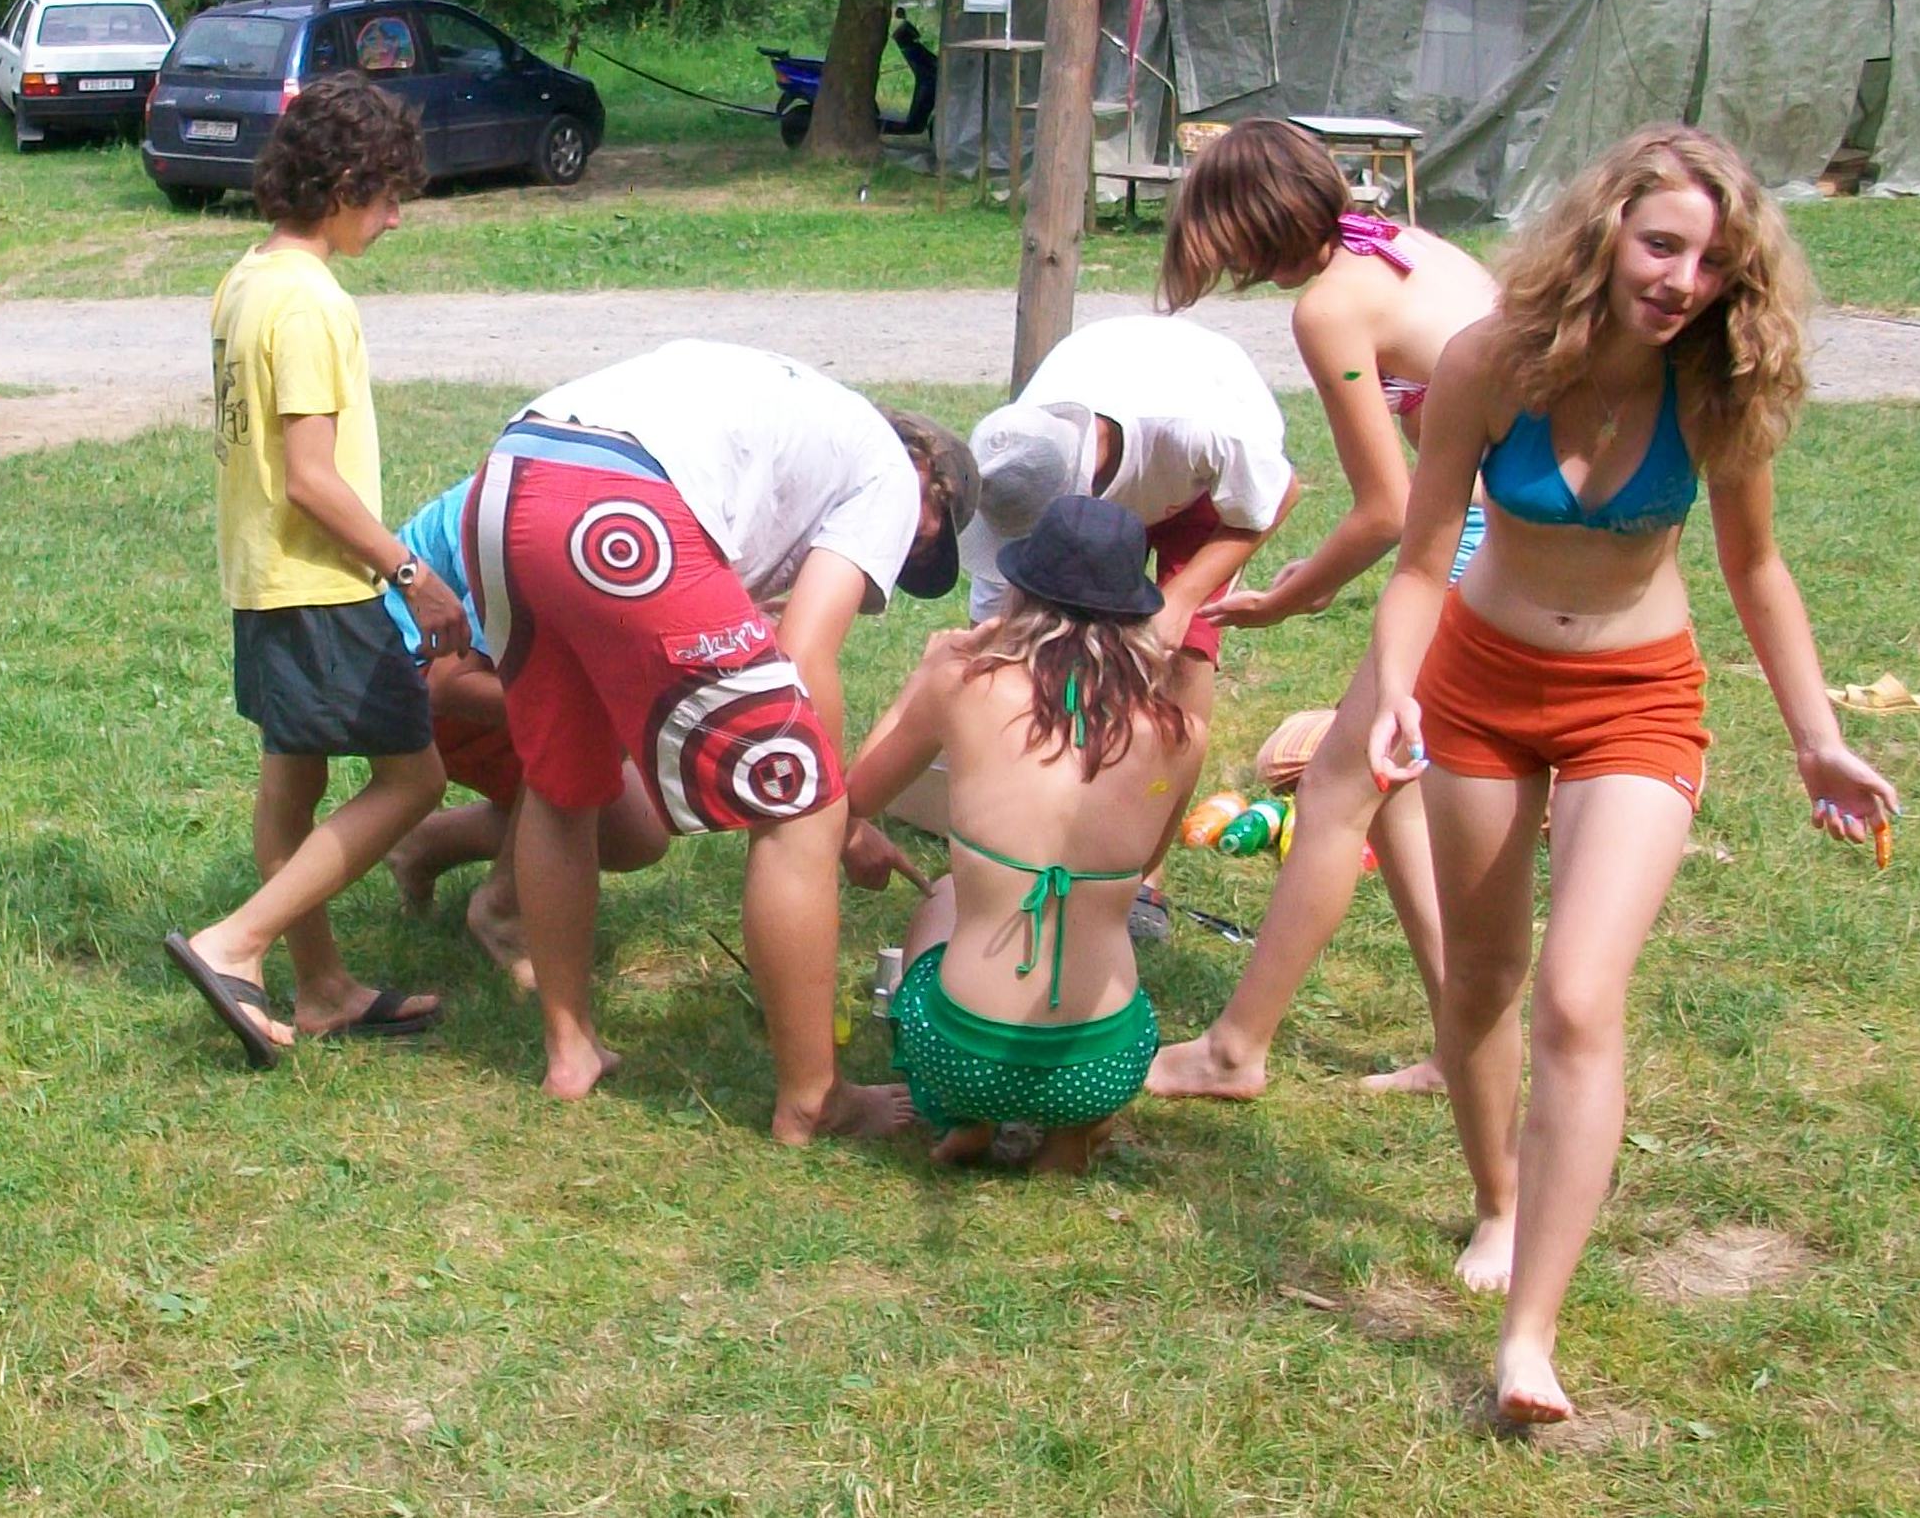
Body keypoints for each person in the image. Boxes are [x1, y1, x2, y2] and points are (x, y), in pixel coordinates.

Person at [1360, 124, 1898, 1425]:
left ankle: (1528, 1336)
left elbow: (1753, 566)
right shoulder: (1488, 361)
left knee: (1576, 995)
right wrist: (1391, 689)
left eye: (1711, 264)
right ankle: (1496, 1198)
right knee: (1480, 976)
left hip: (1636, 699)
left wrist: (1815, 734)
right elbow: (1422, 560)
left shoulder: (1715, 381)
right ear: (1602, 231)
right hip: (1476, 687)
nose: (1681, 281)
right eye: (1661, 246)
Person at [465, 339, 975, 1143]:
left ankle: (570, 1050)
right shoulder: (887, 472)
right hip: (620, 507)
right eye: (921, 542)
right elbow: (805, 654)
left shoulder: (802, 421)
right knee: (799, 798)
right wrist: (842, 816)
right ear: (930, 487)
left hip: (509, 480)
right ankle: (813, 1099)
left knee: (563, 784)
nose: (902, 553)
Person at [1143, 118, 1499, 1100]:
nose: (1238, 274)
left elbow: (1389, 508)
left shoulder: (1330, 306)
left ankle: (1233, 1049)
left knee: (1338, 783)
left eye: (1229, 249)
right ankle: (1461, 1042)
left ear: (1254, 230)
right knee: (1397, 778)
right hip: (1516, 529)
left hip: (1484, 545)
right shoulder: (1404, 246)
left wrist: (1288, 597)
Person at [164, 73, 465, 1068]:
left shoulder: (246, 279)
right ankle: (235, 942)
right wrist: (410, 572)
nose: (394, 217)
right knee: (414, 778)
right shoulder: (310, 303)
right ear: (340, 186)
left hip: (264, 579)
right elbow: (309, 477)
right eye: (385, 196)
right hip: (321, 583)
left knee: (289, 786)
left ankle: (325, 986)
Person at [845, 498, 1207, 1174]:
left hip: (962, 1055)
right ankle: (1071, 1139)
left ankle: (967, 1119)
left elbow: (858, 796)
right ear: (1135, 614)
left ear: (1021, 594)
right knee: (1105, 954)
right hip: (1102, 1064)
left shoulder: (964, 683)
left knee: (947, 896)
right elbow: (1148, 862)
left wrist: (924, 675)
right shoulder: (1182, 733)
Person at [957, 314, 1301, 940]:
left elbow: (1275, 497)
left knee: (1183, 656)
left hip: (1203, 494)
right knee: (1034, 655)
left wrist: (1182, 597)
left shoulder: (1204, 430)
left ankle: (1141, 872)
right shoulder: (1019, 456)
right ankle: (1040, 833)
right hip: (1127, 467)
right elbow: (997, 622)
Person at [375, 476, 669, 990]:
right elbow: (449, 685)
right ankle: (503, 911)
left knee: (635, 834)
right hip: (409, 677)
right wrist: (585, 716)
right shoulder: (557, 506)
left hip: (464, 672)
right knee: (594, 722)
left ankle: (425, 846)